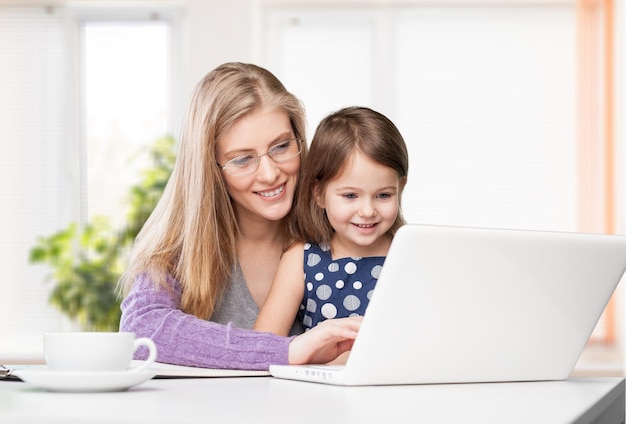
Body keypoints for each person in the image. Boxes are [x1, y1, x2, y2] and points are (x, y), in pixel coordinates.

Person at [117, 62, 361, 371]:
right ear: (210, 169)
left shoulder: (342, 228)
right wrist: (286, 351)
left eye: (282, 146)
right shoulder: (179, 247)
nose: (271, 173)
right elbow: (142, 330)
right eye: (243, 159)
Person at [254, 106, 409, 336]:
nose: (367, 211)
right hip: (323, 372)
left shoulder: (408, 254)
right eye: (350, 196)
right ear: (319, 193)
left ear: (400, 188)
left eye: (383, 195)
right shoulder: (303, 258)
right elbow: (263, 343)